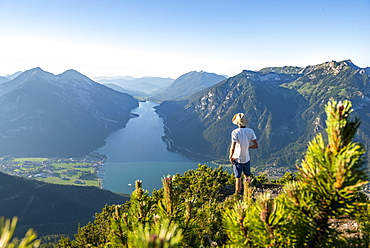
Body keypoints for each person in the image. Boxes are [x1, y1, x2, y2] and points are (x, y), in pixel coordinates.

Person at [229, 113, 258, 194]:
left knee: (238, 178)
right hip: (246, 158)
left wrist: (230, 156)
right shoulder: (251, 131)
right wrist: (248, 146)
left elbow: (233, 146)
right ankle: (248, 193)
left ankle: (237, 194)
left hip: (237, 159)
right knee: (247, 177)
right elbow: (256, 145)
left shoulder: (235, 132)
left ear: (237, 123)